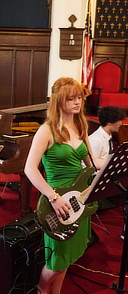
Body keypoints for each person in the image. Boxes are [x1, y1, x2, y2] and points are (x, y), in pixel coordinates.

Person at [24, 77, 104, 294]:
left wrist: (113, 162)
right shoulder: (46, 130)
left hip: (80, 200)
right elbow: (30, 169)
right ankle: (41, 289)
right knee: (57, 260)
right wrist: (53, 197)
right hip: (56, 200)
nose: (77, 102)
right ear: (59, 101)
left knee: (69, 255)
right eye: (71, 99)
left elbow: (91, 163)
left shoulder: (81, 125)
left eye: (79, 98)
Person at [88, 106, 127, 239]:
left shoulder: (107, 136)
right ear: (110, 122)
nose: (121, 124)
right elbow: (89, 167)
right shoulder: (96, 140)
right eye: (119, 121)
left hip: (108, 176)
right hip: (97, 182)